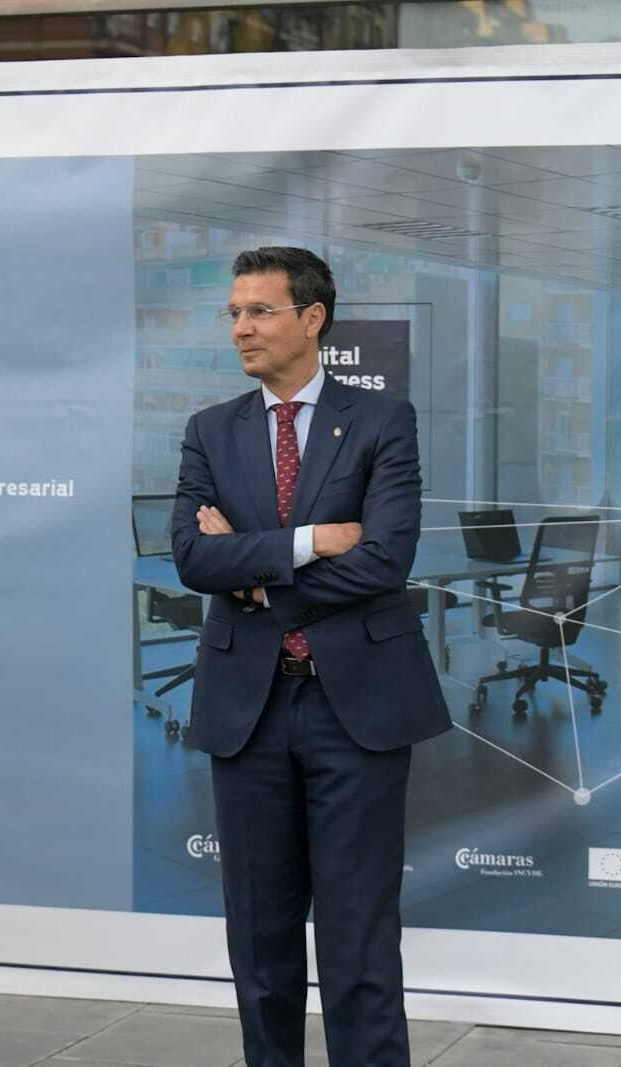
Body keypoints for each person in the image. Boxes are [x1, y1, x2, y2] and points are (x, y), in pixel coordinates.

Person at [170, 247, 451, 1067]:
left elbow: (385, 559)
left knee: (359, 938)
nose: (241, 328)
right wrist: (307, 542)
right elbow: (191, 556)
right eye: (233, 312)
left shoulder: (380, 419)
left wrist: (259, 578)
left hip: (354, 707)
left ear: (311, 318)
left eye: (258, 310)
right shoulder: (210, 431)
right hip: (246, 710)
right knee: (259, 946)